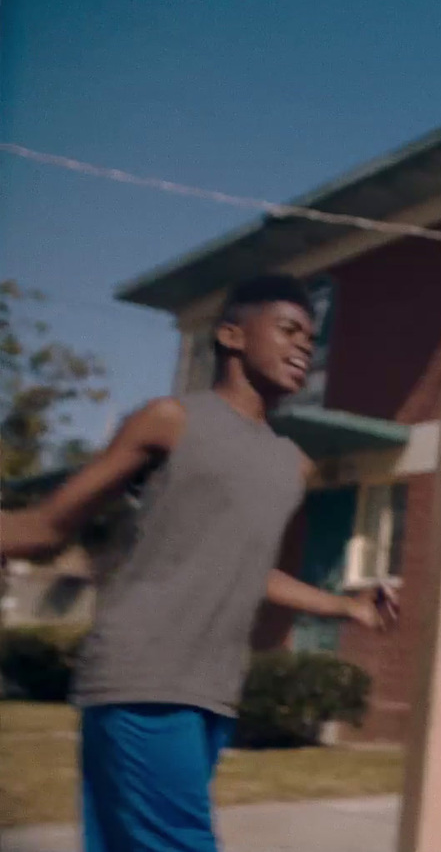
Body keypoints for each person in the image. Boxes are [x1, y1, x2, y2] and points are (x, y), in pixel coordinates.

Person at [1, 273, 399, 852]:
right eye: (288, 330)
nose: (304, 348)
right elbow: (45, 527)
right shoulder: (169, 419)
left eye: (312, 340)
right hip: (145, 676)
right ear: (232, 335)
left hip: (212, 691)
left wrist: (346, 605)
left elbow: (248, 570)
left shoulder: (292, 466)